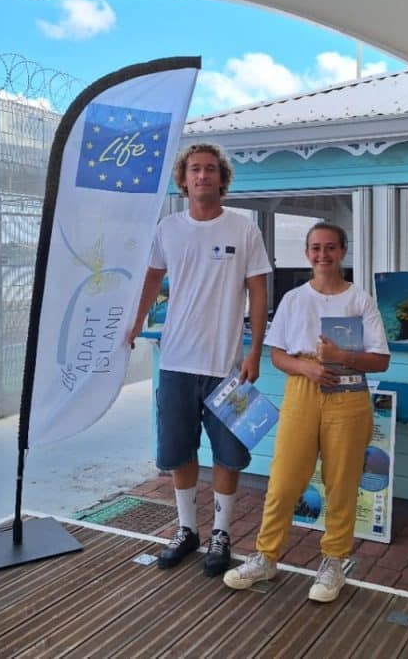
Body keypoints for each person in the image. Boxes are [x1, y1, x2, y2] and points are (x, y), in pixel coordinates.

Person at [223, 222, 390, 602]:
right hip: (302, 389)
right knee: (283, 480)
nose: (323, 255)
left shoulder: (360, 299)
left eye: (330, 248)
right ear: (307, 253)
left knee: (342, 482)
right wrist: (309, 368)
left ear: (343, 251)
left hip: (348, 395)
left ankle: (334, 561)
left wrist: (342, 357)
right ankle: (266, 556)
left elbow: (380, 360)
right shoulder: (294, 299)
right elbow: (278, 353)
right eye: (316, 248)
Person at [127, 143, 271, 577]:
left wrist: (255, 351)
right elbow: (151, 279)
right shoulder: (168, 229)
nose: (203, 176)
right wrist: (133, 324)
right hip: (175, 364)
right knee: (179, 452)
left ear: (222, 178)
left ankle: (221, 534)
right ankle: (187, 530)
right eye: (195, 170)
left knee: (228, 455)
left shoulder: (244, 230)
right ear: (184, 179)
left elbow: (260, 291)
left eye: (210, 169)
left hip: (228, 368)